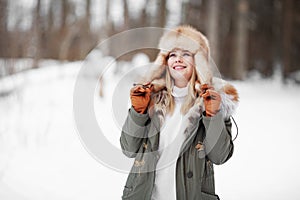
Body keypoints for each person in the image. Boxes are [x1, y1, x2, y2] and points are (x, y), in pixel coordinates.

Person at [120, 25, 239, 200]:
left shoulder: (212, 101)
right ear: (164, 61)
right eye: (172, 54)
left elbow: (219, 156)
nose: (178, 59)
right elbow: (129, 149)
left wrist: (212, 115)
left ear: (199, 62)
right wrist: (138, 112)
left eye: (186, 54)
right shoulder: (150, 98)